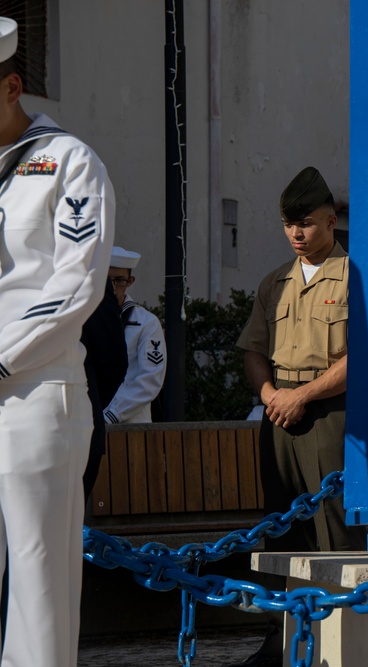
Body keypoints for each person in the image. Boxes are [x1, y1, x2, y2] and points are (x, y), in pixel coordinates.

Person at [0, 16, 114, 666]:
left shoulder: (69, 163)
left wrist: (3, 357)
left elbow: (76, 285)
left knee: (39, 594)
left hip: (35, 395)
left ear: (13, 85)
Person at [236, 166, 364, 554]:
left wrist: (302, 395)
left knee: (334, 524)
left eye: (306, 224)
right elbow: (253, 349)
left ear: (330, 221)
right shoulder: (275, 282)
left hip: (331, 412)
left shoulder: (354, 277)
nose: (296, 234)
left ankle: (344, 612)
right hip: (277, 414)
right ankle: (287, 615)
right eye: (288, 225)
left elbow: (363, 356)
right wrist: (271, 394)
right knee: (281, 525)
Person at [102, 246, 166, 424]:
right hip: (88, 419)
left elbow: (150, 378)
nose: (113, 288)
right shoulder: (84, 318)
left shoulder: (147, 322)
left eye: (120, 280)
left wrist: (112, 414)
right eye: (108, 281)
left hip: (131, 421)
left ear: (130, 281)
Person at [81, 277, 128, 499]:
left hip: (74, 423)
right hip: (76, 419)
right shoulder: (88, 280)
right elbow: (113, 363)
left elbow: (113, 364)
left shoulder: (89, 283)